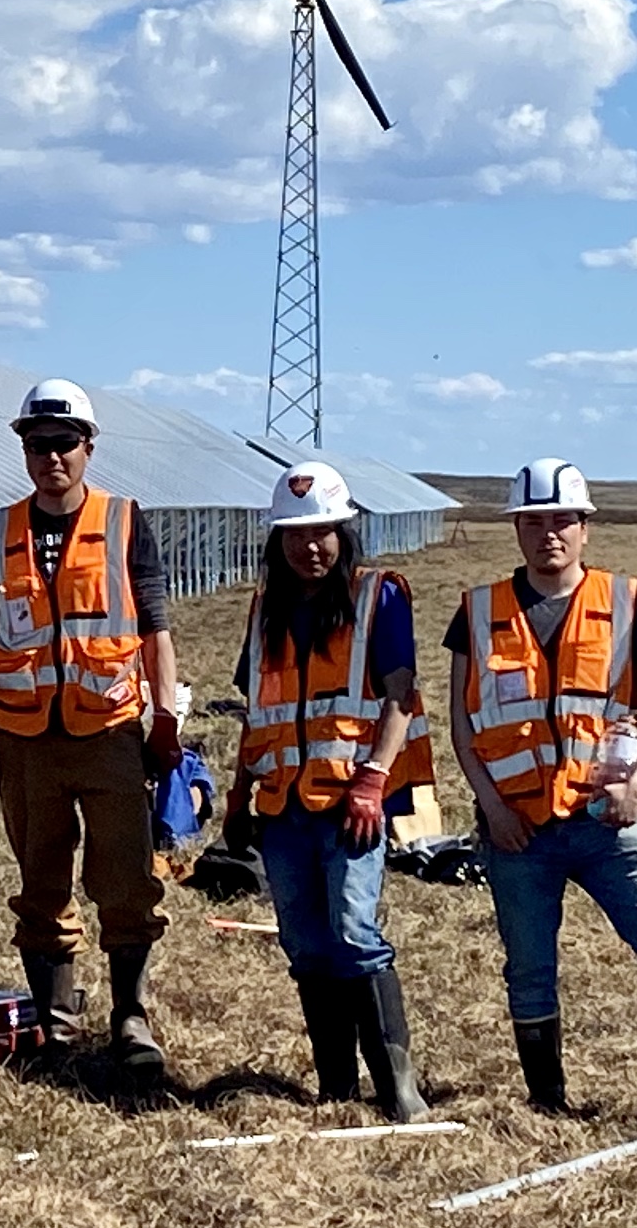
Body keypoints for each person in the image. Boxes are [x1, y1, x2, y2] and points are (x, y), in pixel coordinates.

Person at [443, 459, 637, 1113]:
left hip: (607, 820)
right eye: (533, 520)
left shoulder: (631, 602)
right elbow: (461, 721)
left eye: (562, 518)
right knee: (529, 971)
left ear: (585, 526)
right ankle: (547, 1100)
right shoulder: (478, 612)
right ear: (516, 528)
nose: (548, 533)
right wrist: (492, 806)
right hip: (519, 831)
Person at [0, 377, 183, 1075]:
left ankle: (130, 1016)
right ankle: (57, 1024)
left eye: (64, 444)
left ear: (88, 448)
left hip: (109, 731)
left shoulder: (126, 521)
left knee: (127, 878)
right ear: (23, 449)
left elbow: (156, 629)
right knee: (41, 878)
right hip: (26, 739)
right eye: (38, 444)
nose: (52, 457)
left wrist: (165, 718)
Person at [231, 462, 434, 1120]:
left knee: (354, 931)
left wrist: (374, 778)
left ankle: (399, 1087)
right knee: (306, 942)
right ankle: (337, 1086)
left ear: (346, 532)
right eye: (294, 534)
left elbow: (400, 695)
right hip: (282, 805)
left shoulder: (381, 597)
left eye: (323, 531)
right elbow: (255, 707)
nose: (309, 546)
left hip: (350, 802)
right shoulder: (265, 607)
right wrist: (238, 796)